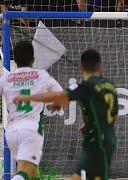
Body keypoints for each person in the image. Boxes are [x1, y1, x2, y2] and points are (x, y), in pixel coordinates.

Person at [14, 49, 119, 180]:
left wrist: (28, 97)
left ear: (80, 66)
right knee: (76, 177)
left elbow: (58, 95)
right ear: (99, 65)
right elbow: (114, 115)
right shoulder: (110, 86)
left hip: (98, 142)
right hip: (102, 139)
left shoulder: (86, 86)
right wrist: (90, 123)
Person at [0, 41, 64, 180]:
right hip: (31, 129)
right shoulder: (41, 75)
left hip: (11, 132)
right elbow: (61, 95)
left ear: (15, 60)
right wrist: (57, 104)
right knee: (24, 171)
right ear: (33, 59)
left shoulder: (5, 78)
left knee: (32, 172)